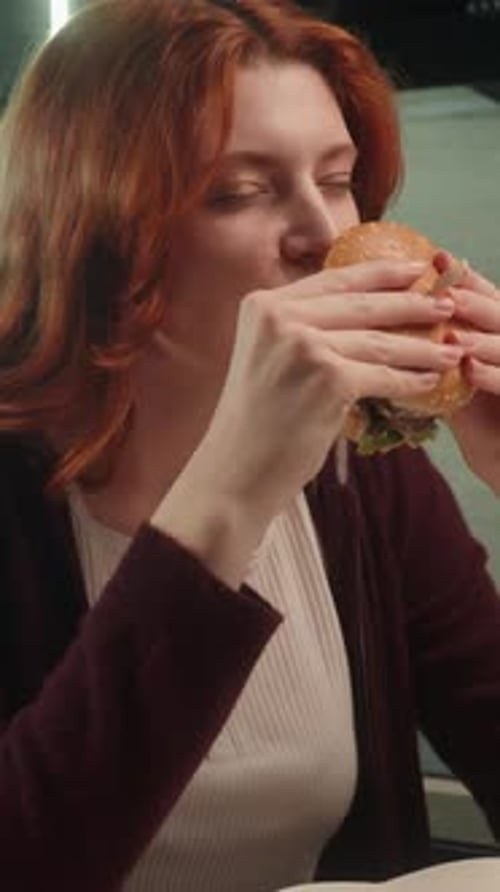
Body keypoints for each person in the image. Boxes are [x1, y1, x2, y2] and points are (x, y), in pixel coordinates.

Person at [0, 0, 499, 889]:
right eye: (239, 191)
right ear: (94, 234)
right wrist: (229, 494)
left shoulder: (366, 474)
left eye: (338, 180)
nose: (322, 236)